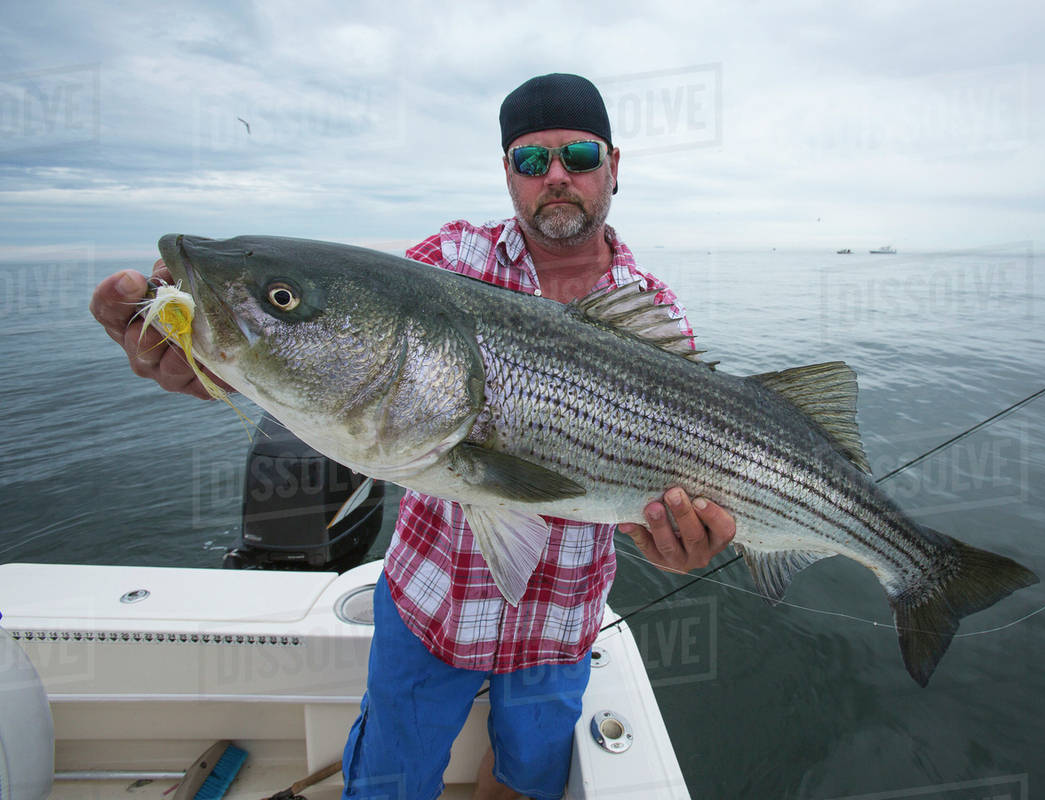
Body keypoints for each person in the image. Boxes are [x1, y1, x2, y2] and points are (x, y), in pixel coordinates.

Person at [90, 73, 736, 800]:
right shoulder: (449, 262)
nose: (555, 177)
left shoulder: (656, 315)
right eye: (531, 161)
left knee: (527, 782)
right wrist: (214, 363)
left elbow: (677, 504)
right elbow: (342, 359)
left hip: (561, 627)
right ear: (508, 175)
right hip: (431, 610)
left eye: (578, 156)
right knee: (387, 786)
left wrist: (684, 544)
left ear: (613, 166)